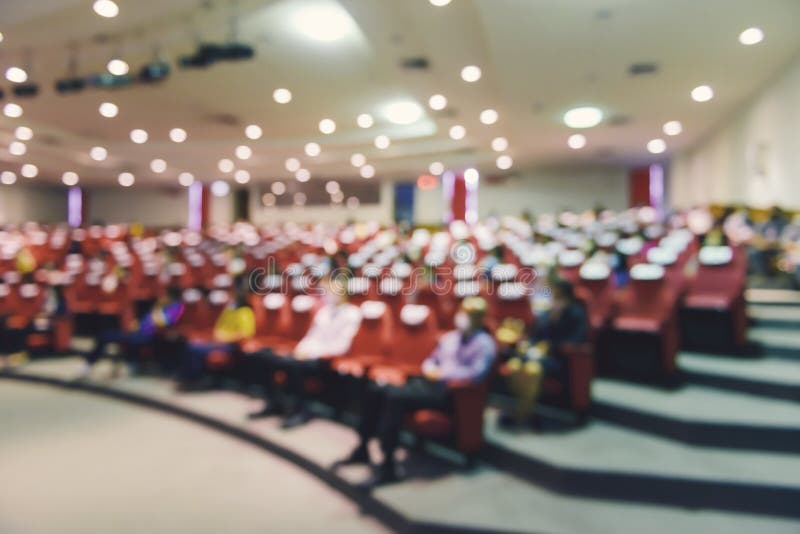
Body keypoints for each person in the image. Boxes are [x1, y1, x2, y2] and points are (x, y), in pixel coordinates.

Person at [335, 296, 496, 487]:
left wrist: (443, 373)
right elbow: (432, 359)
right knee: (376, 389)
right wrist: (429, 368)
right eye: (465, 313)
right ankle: (362, 447)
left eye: (472, 315)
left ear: (480, 318)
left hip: (449, 392)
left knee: (394, 396)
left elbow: (476, 373)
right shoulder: (450, 337)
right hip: (427, 383)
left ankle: (388, 465)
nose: (465, 318)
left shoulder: (485, 343)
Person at [249, 276, 362, 428]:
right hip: (309, 354)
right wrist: (300, 351)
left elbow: (341, 345)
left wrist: (310, 353)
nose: (328, 294)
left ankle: (301, 410)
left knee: (295, 366)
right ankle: (274, 402)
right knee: (268, 357)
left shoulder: (353, 313)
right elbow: (311, 337)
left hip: (327, 358)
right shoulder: (325, 311)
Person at [502, 278, 589, 428]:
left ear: (567, 297)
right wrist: (550, 319)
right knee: (514, 365)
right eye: (553, 296)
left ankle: (523, 413)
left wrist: (555, 330)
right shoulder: (547, 313)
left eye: (558, 296)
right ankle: (520, 407)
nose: (554, 299)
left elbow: (576, 340)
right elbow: (535, 336)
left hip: (559, 359)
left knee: (532, 370)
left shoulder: (577, 313)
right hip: (536, 355)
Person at [81, 285, 184, 379]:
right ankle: (90, 364)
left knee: (106, 336)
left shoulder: (176, 307)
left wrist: (158, 308)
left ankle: (89, 365)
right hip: (137, 332)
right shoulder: (161, 305)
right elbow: (144, 320)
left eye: (164, 294)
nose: (161, 296)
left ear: (170, 296)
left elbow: (162, 322)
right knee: (105, 335)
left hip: (148, 336)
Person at [178, 286, 255, 388]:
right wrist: (217, 336)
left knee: (194, 349)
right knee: (192, 344)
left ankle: (193, 378)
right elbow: (219, 327)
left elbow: (245, 334)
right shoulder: (229, 310)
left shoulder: (245, 312)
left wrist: (225, 337)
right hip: (217, 342)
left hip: (230, 345)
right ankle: (190, 377)